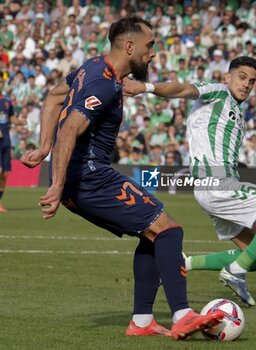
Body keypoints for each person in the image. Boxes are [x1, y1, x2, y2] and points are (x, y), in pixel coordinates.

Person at [20, 16, 224, 340]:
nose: (153, 53)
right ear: (129, 47)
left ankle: (142, 322)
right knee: (170, 230)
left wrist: (45, 146)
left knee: (151, 233)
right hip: (89, 176)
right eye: (150, 46)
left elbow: (54, 98)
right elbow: (71, 126)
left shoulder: (92, 67)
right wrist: (56, 184)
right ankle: (183, 315)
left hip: (83, 177)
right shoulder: (105, 83)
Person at [123, 56, 256, 306]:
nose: (246, 85)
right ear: (227, 77)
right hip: (217, 184)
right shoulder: (217, 92)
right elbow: (183, 89)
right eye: (241, 77)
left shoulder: (237, 114)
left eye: (251, 81)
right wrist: (145, 87)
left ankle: (185, 263)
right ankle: (235, 271)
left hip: (218, 187)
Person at [0, 78, 24, 212]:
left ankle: (0, 202)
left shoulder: (7, 102)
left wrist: (20, 123)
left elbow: (12, 118)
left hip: (5, 140)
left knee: (5, 173)